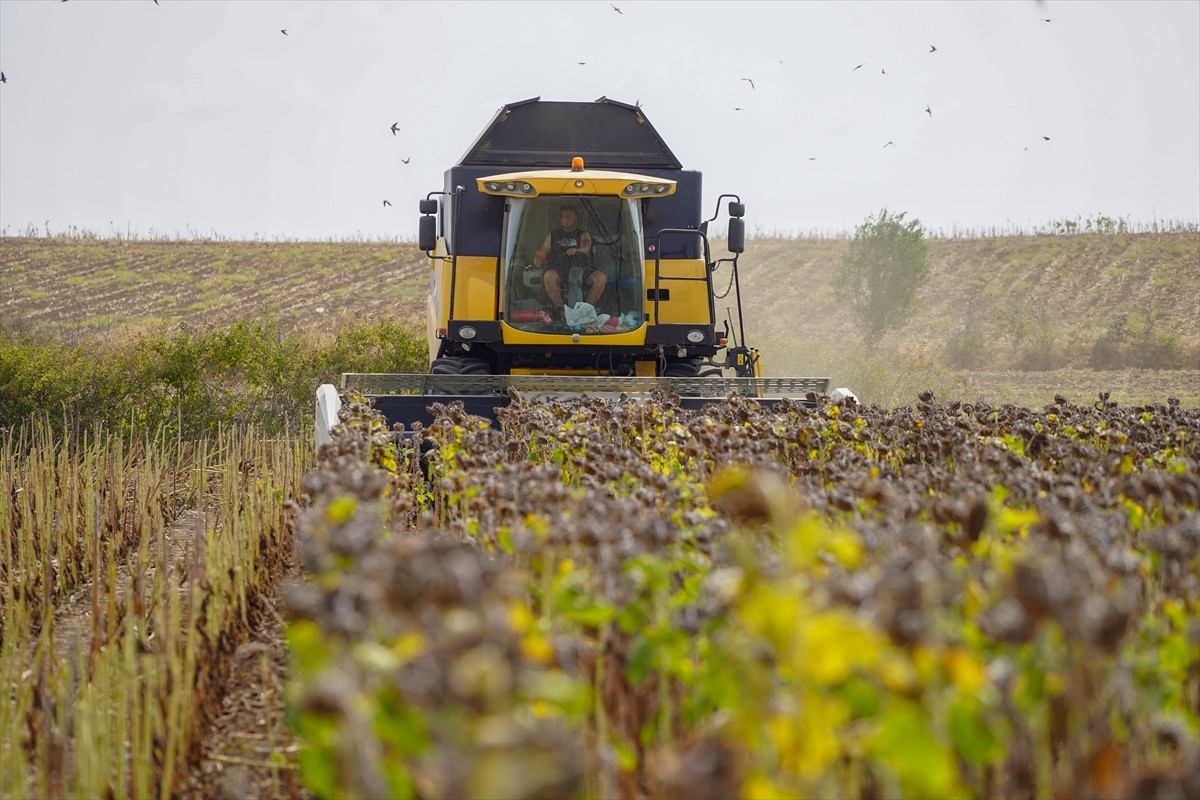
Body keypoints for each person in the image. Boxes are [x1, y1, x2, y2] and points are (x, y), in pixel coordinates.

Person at [536, 203, 606, 311]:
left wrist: (577, 250)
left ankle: (585, 309)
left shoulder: (583, 233)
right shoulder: (553, 235)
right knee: (548, 276)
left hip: (584, 271)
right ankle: (561, 310)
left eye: (568, 216)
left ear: (575, 217)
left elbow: (586, 246)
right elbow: (544, 251)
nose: (565, 219)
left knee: (600, 278)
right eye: (563, 217)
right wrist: (539, 259)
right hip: (560, 271)